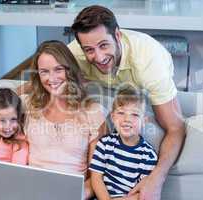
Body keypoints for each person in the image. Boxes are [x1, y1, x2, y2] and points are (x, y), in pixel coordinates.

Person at [0, 40, 107, 199]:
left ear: (71, 71)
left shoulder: (93, 112)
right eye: (44, 72)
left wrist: (78, 196)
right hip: (29, 191)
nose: (51, 79)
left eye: (58, 69)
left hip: (71, 194)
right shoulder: (28, 104)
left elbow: (96, 176)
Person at [67, 5, 186, 200]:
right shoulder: (75, 53)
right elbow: (43, 75)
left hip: (142, 86)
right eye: (89, 50)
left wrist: (157, 178)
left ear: (117, 35)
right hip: (105, 87)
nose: (98, 56)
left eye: (104, 45)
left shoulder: (149, 63)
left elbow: (176, 127)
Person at [89, 84, 158, 200]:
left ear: (144, 121)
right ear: (112, 117)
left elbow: (143, 191)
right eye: (121, 113)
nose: (127, 119)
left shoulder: (148, 156)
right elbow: (96, 178)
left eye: (135, 114)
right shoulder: (104, 144)